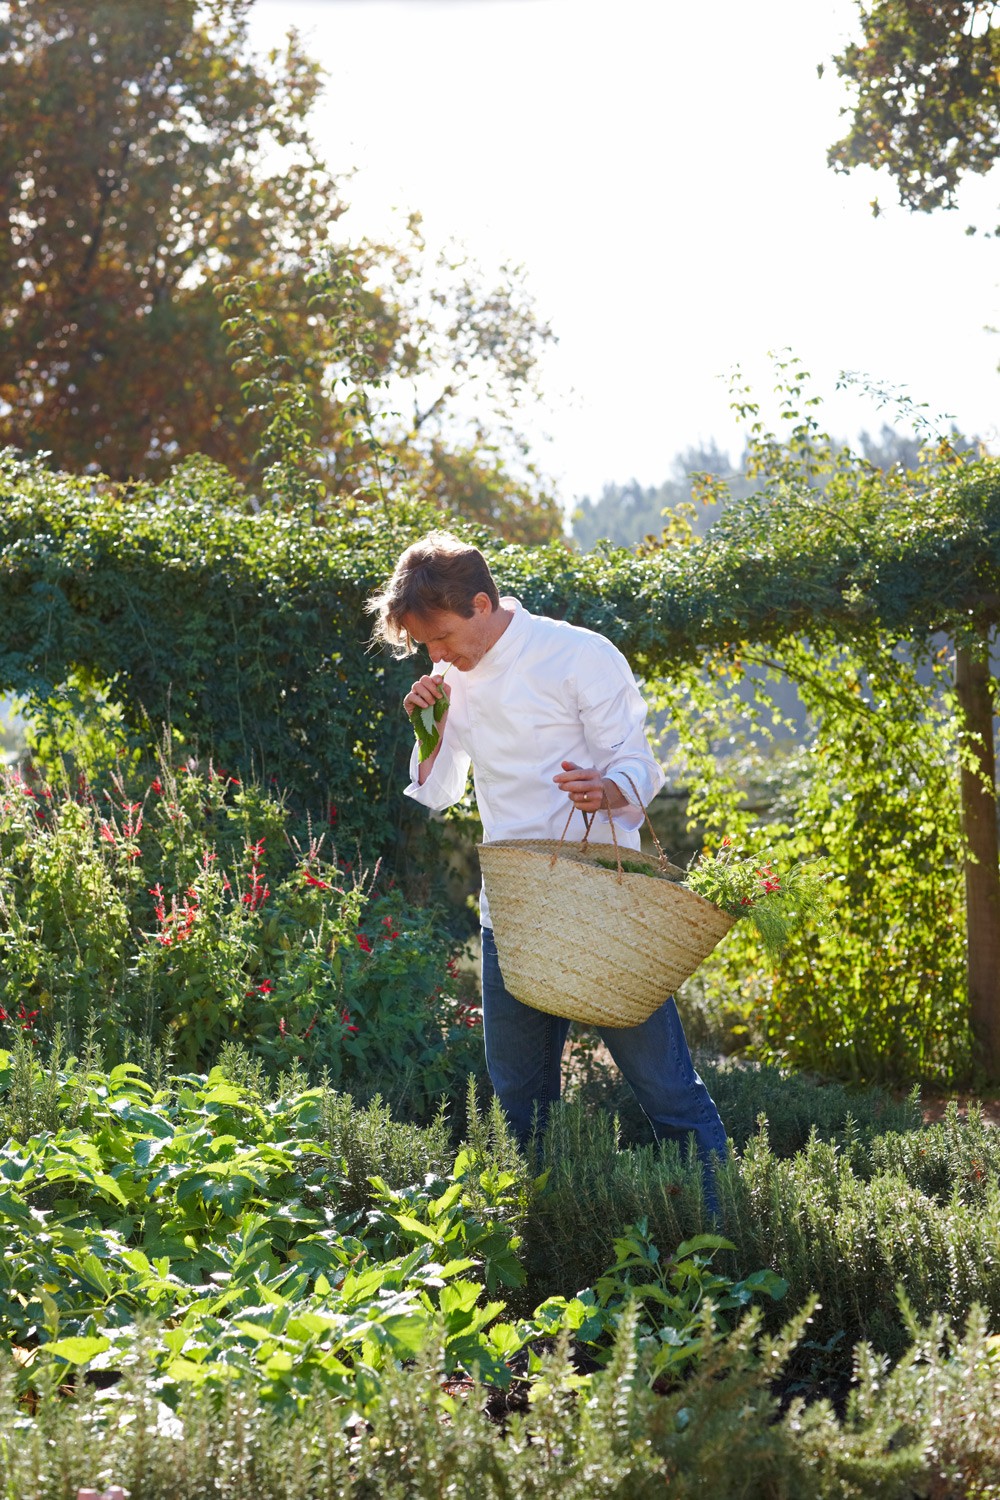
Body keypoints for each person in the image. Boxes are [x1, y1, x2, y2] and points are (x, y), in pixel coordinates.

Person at [367, 531, 727, 1193]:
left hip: (602, 904)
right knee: (520, 1108)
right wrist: (430, 731)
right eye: (424, 645)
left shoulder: (578, 655)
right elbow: (439, 791)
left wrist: (609, 789)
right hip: (511, 912)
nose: (434, 655)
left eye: (440, 636)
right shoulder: (449, 680)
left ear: (483, 603)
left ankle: (724, 1242)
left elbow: (637, 764)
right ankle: (545, 1254)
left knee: (667, 1093)